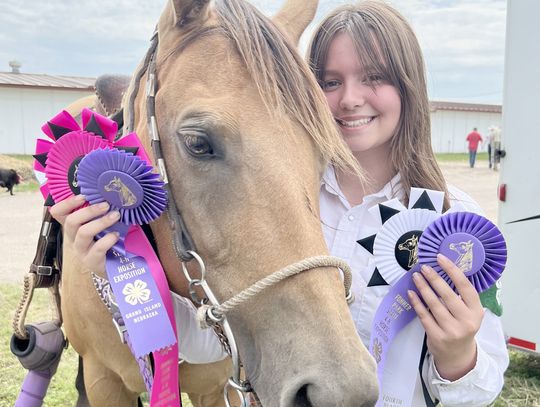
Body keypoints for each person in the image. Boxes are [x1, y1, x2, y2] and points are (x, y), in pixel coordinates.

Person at [307, 2, 508, 406]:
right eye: (330, 82)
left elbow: (484, 390)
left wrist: (457, 356)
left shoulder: (458, 220)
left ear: (408, 86)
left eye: (374, 77)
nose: (348, 99)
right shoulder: (288, 201)